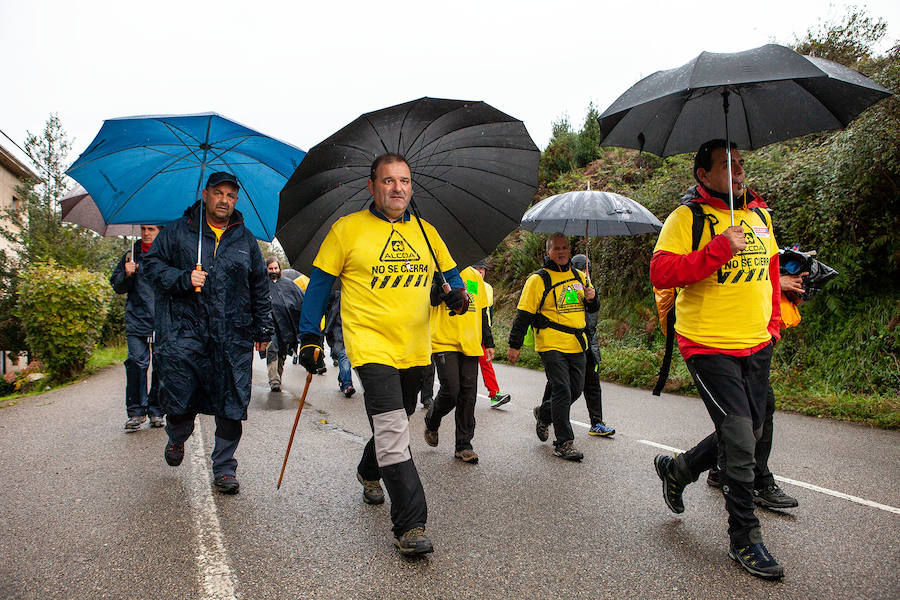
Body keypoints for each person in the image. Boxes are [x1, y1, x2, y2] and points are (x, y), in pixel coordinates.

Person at [296, 153, 467, 555]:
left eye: (404, 181)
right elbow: (319, 285)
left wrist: (456, 296)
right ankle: (410, 524)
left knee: (398, 418)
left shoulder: (427, 232)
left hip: (414, 348)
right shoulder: (347, 230)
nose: (397, 188)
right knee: (393, 432)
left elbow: (453, 277)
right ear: (372, 187)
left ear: (412, 187)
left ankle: (368, 470)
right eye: (388, 181)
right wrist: (308, 336)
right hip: (370, 346)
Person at [649, 139, 784, 579]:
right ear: (703, 176)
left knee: (749, 429)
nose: (738, 172)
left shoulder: (760, 215)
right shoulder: (687, 218)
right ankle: (744, 537)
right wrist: (718, 249)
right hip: (707, 343)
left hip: (756, 342)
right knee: (742, 437)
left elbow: (772, 273)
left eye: (741, 164)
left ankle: (679, 468)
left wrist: (775, 321)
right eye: (726, 166)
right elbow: (662, 273)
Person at [143, 171, 272, 495]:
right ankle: (177, 434)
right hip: (184, 331)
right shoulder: (177, 232)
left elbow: (258, 286)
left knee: (232, 401)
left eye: (230, 195)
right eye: (218, 193)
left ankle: (225, 468)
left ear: (236, 200)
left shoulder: (245, 240)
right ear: (205, 194)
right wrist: (184, 278)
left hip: (231, 334)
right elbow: (151, 267)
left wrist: (263, 328)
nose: (224, 200)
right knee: (181, 396)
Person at [704, 266, 804, 510]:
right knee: (750, 414)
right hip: (722, 339)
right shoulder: (714, 230)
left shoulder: (760, 231)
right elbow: (724, 281)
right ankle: (758, 482)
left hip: (754, 337)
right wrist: (776, 282)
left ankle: (715, 468)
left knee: (746, 415)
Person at [507, 233, 599, 461]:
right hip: (551, 343)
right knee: (562, 390)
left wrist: (592, 297)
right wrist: (514, 344)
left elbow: (592, 307)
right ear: (547, 252)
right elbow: (524, 314)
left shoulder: (579, 276)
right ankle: (564, 442)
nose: (561, 252)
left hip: (578, 344)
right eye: (556, 248)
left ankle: (544, 413)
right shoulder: (538, 280)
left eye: (565, 247)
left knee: (576, 390)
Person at [535, 253, 614, 437]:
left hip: (589, 345)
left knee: (591, 385)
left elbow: (594, 312)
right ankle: (546, 416)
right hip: (565, 345)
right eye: (582, 269)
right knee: (559, 386)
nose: (586, 273)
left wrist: (592, 299)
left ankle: (596, 422)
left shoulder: (590, 289)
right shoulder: (567, 288)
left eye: (589, 270)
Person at [423, 265, 495, 463]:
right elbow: (429, 300)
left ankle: (464, 445)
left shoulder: (474, 276)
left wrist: (488, 341)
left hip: (470, 342)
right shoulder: (437, 272)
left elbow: (481, 311)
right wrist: (441, 287)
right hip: (444, 340)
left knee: (468, 395)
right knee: (451, 390)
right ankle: (432, 420)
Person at [110, 225, 164, 431]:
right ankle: (136, 412)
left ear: (160, 231)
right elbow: (117, 286)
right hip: (136, 320)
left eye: (151, 229)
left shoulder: (167, 253)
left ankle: (157, 410)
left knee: (161, 367)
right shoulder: (130, 255)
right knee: (136, 364)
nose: (146, 232)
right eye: (143, 229)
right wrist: (126, 273)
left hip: (160, 321)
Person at [471, 259, 510, 408]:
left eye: (483, 269)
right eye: (477, 268)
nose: (480, 271)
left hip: (483, 330)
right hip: (471, 330)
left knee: (486, 361)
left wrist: (489, 330)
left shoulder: (488, 287)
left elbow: (489, 310)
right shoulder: (472, 284)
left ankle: (494, 394)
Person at [265, 256, 304, 393]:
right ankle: (274, 380)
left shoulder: (288, 284)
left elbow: (300, 300)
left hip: (286, 326)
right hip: (269, 326)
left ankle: (278, 376)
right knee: (272, 349)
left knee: (282, 353)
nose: (274, 271)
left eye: (276, 268)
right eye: (271, 268)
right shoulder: (263, 285)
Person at [324, 286, 355, 397]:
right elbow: (326, 307)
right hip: (338, 327)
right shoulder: (333, 289)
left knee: (347, 357)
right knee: (344, 355)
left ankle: (342, 378)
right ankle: (347, 385)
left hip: (354, 327)